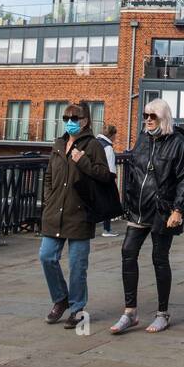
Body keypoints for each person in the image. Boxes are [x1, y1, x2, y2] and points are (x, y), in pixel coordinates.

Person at [110, 99, 184, 335]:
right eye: (145, 115)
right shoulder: (143, 138)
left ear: (163, 118)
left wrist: (178, 210)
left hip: (163, 211)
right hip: (138, 208)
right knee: (128, 252)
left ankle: (162, 314)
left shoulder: (178, 143)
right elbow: (136, 171)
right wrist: (127, 197)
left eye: (152, 116)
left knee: (159, 258)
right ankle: (130, 312)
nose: (147, 119)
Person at [40, 102, 112, 330]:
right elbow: (50, 175)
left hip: (80, 214)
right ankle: (60, 298)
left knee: (77, 265)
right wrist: (48, 200)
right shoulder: (58, 144)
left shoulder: (94, 146)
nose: (70, 121)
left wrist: (83, 161)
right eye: (66, 117)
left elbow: (104, 176)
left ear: (86, 121)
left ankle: (77, 308)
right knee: (46, 256)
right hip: (55, 212)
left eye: (75, 117)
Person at [96, 125, 120, 237]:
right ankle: (107, 229)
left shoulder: (95, 143)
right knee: (109, 203)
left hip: (94, 176)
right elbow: (110, 168)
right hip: (105, 179)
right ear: (112, 135)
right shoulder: (108, 148)